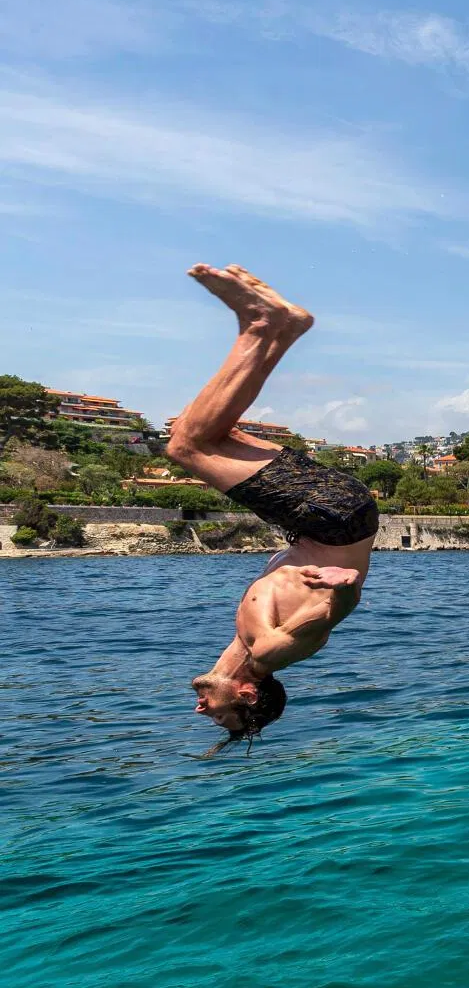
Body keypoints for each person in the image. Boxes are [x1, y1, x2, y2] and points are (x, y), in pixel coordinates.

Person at [167, 264, 379, 752]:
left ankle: (283, 328)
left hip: (331, 517)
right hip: (330, 519)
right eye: (220, 718)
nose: (202, 710)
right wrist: (345, 588)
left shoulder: (244, 643)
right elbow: (324, 622)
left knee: (195, 430)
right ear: (247, 694)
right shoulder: (268, 652)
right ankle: (262, 324)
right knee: (186, 446)